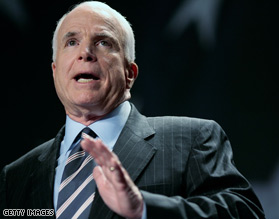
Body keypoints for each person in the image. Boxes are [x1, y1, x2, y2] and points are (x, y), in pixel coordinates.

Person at [0, 1, 265, 218]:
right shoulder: (17, 175)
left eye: (103, 42)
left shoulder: (192, 139)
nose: (86, 53)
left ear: (130, 73)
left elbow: (245, 213)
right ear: (55, 73)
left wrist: (143, 208)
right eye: (72, 42)